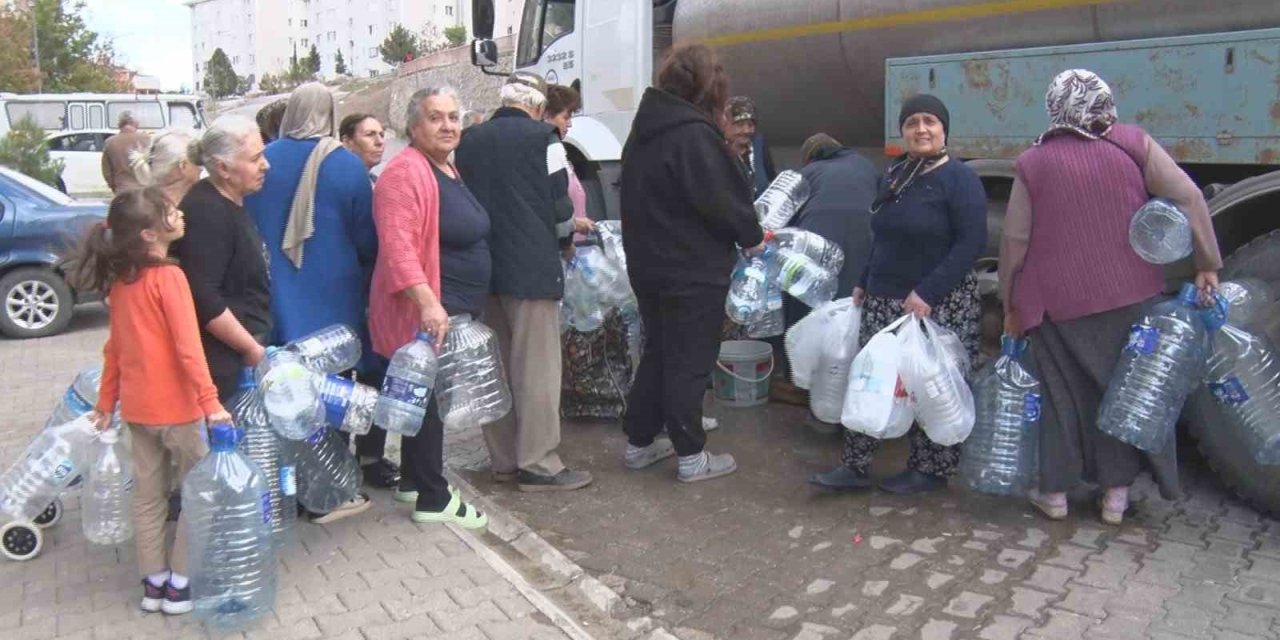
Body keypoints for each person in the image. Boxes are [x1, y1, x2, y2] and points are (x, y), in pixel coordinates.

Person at [999, 69, 1222, 524]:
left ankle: (1055, 496)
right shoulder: (1133, 143)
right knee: (1122, 393)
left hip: (1057, 302)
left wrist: (1010, 304)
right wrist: (1207, 262)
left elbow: (1015, 241)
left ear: (1054, 106)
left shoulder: (1033, 161)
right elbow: (1188, 196)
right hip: (1131, 293)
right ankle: (1115, 498)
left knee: (1062, 397)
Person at [811, 94, 987, 494]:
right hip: (884, 297)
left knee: (930, 386)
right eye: (911, 123)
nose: (921, 129)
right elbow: (882, 235)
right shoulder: (896, 173)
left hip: (936, 303)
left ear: (944, 130)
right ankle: (855, 465)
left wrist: (928, 291)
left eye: (929, 121)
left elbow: (971, 242)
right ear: (902, 132)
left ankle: (929, 470)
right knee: (870, 380)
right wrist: (864, 279)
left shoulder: (960, 178)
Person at [69, 187, 232, 616]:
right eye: (171, 212)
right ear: (149, 233)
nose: (180, 215)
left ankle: (153, 582)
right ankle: (181, 584)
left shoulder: (122, 285)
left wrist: (106, 404)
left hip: (138, 412)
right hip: (179, 412)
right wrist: (212, 403)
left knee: (147, 497)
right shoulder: (171, 279)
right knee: (198, 493)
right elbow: (188, 348)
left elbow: (115, 352)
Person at [620, 44, 766, 483]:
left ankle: (639, 443)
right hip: (692, 270)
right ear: (710, 88)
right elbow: (725, 201)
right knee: (689, 360)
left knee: (659, 352)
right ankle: (691, 457)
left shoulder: (644, 130)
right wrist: (752, 237)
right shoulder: (695, 135)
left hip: (648, 266)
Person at [243, 84, 389, 516]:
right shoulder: (344, 164)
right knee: (334, 387)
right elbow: (367, 238)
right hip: (335, 292)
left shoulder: (264, 160)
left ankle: (287, 486)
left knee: (286, 388)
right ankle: (329, 492)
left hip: (276, 291)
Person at [454, 72, 593, 492]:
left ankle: (503, 462)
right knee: (536, 370)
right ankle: (539, 464)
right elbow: (559, 203)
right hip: (531, 270)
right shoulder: (545, 139)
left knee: (495, 368)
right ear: (537, 106)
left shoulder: (469, 141)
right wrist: (566, 243)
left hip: (484, 270)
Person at [368, 87, 488, 527]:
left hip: (447, 305)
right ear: (413, 126)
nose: (448, 126)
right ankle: (433, 498)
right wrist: (428, 304)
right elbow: (397, 248)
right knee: (430, 403)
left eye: (453, 117)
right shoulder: (403, 173)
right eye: (436, 118)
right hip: (426, 311)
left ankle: (414, 481)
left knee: (426, 402)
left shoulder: (444, 166)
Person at [773, 134, 880, 417]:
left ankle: (799, 380)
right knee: (850, 306)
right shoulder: (866, 165)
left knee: (803, 304)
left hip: (816, 238)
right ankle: (857, 374)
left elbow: (783, 220)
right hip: (864, 237)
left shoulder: (807, 172)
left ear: (811, 157)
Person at [171, 115, 271, 403]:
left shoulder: (228, 201)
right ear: (223, 168)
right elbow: (204, 297)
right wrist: (250, 348)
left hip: (238, 358)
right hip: (222, 369)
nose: (266, 165)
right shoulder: (207, 212)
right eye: (255, 159)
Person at [130, 130, 202, 206]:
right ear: (183, 165)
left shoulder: (144, 203)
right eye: (197, 160)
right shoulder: (195, 205)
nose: (201, 168)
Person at [725, 96, 776, 199]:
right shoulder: (716, 149)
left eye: (750, 125)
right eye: (739, 125)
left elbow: (772, 180)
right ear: (725, 125)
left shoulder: (759, 146)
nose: (746, 130)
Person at [101, 112, 149, 193]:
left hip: (122, 189)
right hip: (144, 190)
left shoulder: (110, 142)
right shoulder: (146, 139)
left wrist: (113, 186)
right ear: (135, 123)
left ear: (120, 124)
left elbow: (106, 170)